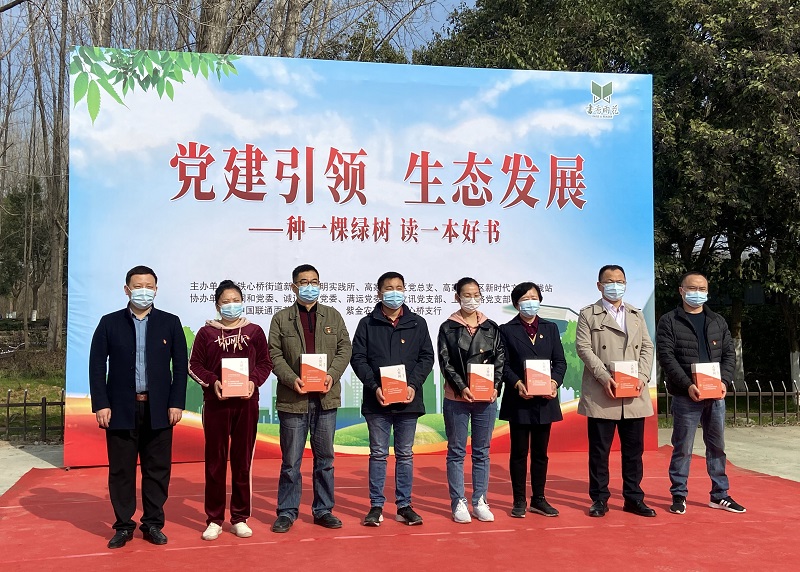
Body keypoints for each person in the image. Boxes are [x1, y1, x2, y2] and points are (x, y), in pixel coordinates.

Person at [89, 265, 187, 549]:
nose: (144, 291)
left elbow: (180, 367)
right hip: (120, 408)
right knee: (121, 470)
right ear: (127, 289)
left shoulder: (170, 322)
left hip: (159, 409)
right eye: (138, 286)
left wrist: (176, 403)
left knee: (157, 469)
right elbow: (97, 365)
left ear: (156, 290)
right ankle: (123, 526)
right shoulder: (109, 323)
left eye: (149, 286)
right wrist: (101, 404)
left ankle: (153, 524)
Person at [268, 264, 353, 533]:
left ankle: (323, 509)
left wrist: (332, 375)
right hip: (294, 399)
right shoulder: (281, 319)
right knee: (291, 461)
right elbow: (274, 354)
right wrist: (291, 378)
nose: (309, 286)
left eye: (314, 281)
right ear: (294, 287)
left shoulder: (333, 316)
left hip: (325, 399)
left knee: (325, 459)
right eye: (303, 282)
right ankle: (287, 511)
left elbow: (345, 348)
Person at [188, 280, 273, 540]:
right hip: (216, 405)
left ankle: (239, 517)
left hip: (246, 404)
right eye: (226, 301)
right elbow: (194, 365)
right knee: (215, 462)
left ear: (243, 302)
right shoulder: (206, 333)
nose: (231, 305)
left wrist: (253, 381)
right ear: (217, 305)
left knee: (242, 461)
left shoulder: (254, 331)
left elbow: (265, 363)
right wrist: (213, 382)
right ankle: (214, 519)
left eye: (236, 300)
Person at [351, 271, 435, 527]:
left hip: (409, 401)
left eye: (399, 287)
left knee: (405, 454)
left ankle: (404, 506)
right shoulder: (367, 323)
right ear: (379, 293)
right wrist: (375, 386)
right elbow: (358, 358)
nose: (394, 293)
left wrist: (413, 385)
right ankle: (376, 506)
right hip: (377, 401)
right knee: (378, 453)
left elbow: (427, 357)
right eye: (389, 288)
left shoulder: (417, 323)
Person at [657, 271, 745, 514]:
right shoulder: (669, 320)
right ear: (681, 290)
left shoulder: (717, 321)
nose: (697, 293)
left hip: (715, 395)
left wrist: (724, 381)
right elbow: (667, 357)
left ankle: (720, 494)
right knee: (683, 447)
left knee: (717, 446)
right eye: (692, 288)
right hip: (686, 395)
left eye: (702, 289)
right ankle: (679, 494)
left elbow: (729, 354)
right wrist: (688, 385)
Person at [576, 265, 656, 518]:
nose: (615, 286)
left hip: (633, 393)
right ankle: (599, 499)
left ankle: (633, 498)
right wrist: (604, 377)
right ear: (599, 285)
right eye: (609, 281)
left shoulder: (635, 313)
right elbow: (583, 348)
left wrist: (642, 377)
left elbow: (647, 347)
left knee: (634, 452)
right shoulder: (588, 314)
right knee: (599, 452)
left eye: (620, 281)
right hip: (603, 392)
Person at [438, 277, 505, 523]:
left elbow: (500, 358)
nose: (472, 299)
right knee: (456, 451)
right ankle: (458, 502)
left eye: (476, 294)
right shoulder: (448, 327)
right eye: (466, 295)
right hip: (456, 397)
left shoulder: (491, 327)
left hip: (485, 399)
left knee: (482, 452)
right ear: (457, 297)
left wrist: (495, 386)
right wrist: (462, 387)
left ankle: (480, 500)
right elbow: (445, 361)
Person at [499, 281, 567, 518]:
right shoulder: (506, 330)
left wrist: (554, 382)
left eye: (534, 298)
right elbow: (503, 364)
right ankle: (519, 499)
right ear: (516, 303)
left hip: (544, 400)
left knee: (540, 453)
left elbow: (560, 362)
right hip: (519, 399)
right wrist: (517, 383)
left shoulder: (550, 328)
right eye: (525, 299)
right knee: (519, 452)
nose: (531, 302)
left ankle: (539, 498)